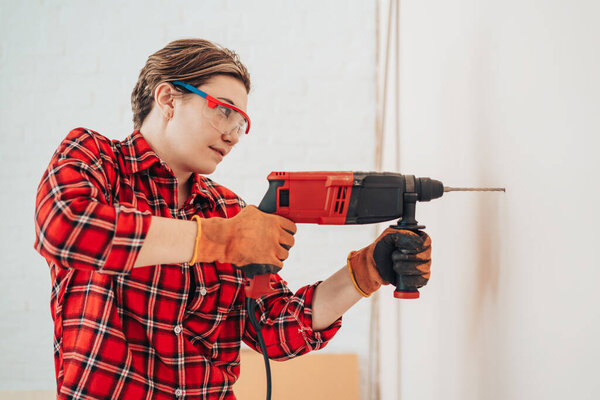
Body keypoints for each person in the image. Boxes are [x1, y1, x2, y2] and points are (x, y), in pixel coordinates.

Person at [34, 38, 432, 400]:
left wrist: (364, 272)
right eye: (223, 112)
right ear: (168, 99)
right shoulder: (96, 160)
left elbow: (276, 328)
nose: (233, 135)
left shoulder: (228, 210)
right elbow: (67, 229)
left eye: (240, 123)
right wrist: (219, 240)